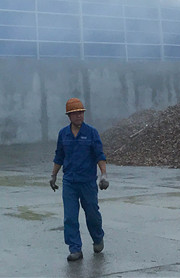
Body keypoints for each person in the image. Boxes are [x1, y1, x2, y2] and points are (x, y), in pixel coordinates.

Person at [49, 97, 109, 262]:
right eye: (75, 114)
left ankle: (97, 238)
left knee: (92, 214)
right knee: (70, 217)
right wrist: (53, 175)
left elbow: (99, 155)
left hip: (88, 182)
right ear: (69, 116)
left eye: (81, 113)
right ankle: (75, 249)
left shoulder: (91, 133)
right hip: (69, 182)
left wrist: (103, 174)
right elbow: (59, 156)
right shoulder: (63, 134)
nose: (79, 116)